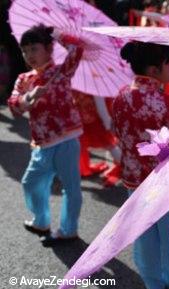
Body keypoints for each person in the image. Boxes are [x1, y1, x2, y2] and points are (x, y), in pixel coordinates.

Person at [113, 41, 169, 289]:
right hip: (164, 182)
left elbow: (122, 135)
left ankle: (153, 283)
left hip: (135, 180)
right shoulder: (164, 102)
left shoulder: (121, 95)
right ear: (155, 70)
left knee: (144, 236)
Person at [7, 24, 85, 246]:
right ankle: (41, 221)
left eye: (34, 48)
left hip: (67, 139)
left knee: (71, 188)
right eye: (25, 50)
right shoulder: (24, 79)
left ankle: (68, 229)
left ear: (49, 49)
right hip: (41, 143)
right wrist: (28, 98)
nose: (29, 55)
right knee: (30, 183)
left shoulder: (62, 70)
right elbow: (14, 106)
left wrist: (55, 33)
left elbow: (77, 50)